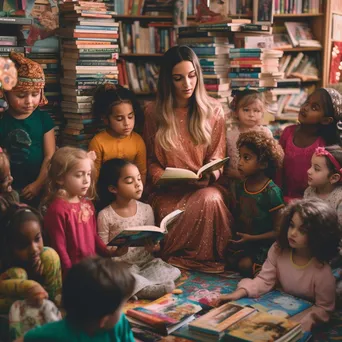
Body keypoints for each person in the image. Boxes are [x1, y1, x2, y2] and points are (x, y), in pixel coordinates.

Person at [143, 45, 232, 273]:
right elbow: (151, 159)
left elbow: (218, 153)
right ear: (167, 81)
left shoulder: (214, 110)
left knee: (210, 200)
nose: (187, 84)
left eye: (192, 76)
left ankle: (205, 260)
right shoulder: (152, 112)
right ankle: (176, 257)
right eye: (178, 78)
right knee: (166, 212)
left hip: (205, 187)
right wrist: (161, 177)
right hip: (168, 191)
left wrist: (211, 174)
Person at [219, 198, 340, 332]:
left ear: (319, 235)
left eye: (303, 230)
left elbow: (324, 309)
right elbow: (264, 280)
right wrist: (239, 293)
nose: (293, 233)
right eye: (292, 225)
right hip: (277, 306)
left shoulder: (322, 271)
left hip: (301, 317)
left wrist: (302, 323)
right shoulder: (278, 249)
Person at [97, 158, 181, 299]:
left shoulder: (146, 209)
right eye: (130, 181)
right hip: (122, 267)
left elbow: (155, 243)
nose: (137, 185)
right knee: (116, 277)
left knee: (172, 271)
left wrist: (153, 247)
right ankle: (145, 289)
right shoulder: (105, 215)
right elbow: (102, 251)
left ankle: (137, 289)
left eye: (138, 179)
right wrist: (116, 253)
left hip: (146, 264)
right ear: (113, 189)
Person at [43, 147, 121, 276]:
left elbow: (93, 236)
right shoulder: (57, 210)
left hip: (91, 267)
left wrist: (109, 252)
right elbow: (60, 248)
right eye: (79, 175)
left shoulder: (87, 204)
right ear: (60, 178)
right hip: (73, 273)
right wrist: (71, 274)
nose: (86, 180)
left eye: (88, 174)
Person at [15, 257, 136, 342]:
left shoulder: (120, 324)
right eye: (121, 306)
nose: (123, 312)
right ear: (103, 320)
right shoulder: (57, 334)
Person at [0, 51, 55, 206]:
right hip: (7, 189)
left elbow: (50, 156)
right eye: (21, 95)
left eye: (35, 94)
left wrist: (38, 184)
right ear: (6, 94)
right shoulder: (2, 120)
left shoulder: (44, 119)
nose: (29, 101)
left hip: (39, 187)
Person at [228, 131, 284, 277]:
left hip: (264, 244)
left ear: (263, 164)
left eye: (247, 158)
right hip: (246, 241)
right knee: (226, 260)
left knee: (244, 265)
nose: (240, 162)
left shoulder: (271, 191)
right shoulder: (242, 186)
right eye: (240, 156)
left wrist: (251, 238)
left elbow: (279, 231)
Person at [277, 88, 342, 201]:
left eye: (314, 107)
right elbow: (277, 166)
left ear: (326, 120)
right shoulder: (288, 132)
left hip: (311, 201)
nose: (306, 108)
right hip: (282, 195)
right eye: (307, 102)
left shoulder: (325, 145)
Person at [0, 201, 62, 314]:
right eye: (23, 244)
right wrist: (29, 286)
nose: (34, 249)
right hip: (11, 315)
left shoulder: (45, 258)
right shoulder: (4, 259)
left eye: (37, 239)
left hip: (43, 310)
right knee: (18, 274)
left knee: (50, 255)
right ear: (10, 246)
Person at [88, 84, 146, 183]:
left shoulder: (137, 141)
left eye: (130, 117)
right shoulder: (98, 142)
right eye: (119, 119)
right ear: (106, 119)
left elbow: (142, 172)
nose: (127, 123)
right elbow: (94, 175)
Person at [226, 89, 273, 180]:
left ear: (262, 113)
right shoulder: (230, 135)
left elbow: (270, 163)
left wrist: (241, 175)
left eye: (256, 111)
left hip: (258, 182)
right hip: (234, 182)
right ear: (236, 112)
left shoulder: (265, 134)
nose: (251, 115)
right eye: (246, 110)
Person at [304, 145, 342, 225]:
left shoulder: (339, 200)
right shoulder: (309, 191)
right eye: (311, 165)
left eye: (316, 169)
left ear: (334, 178)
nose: (308, 171)